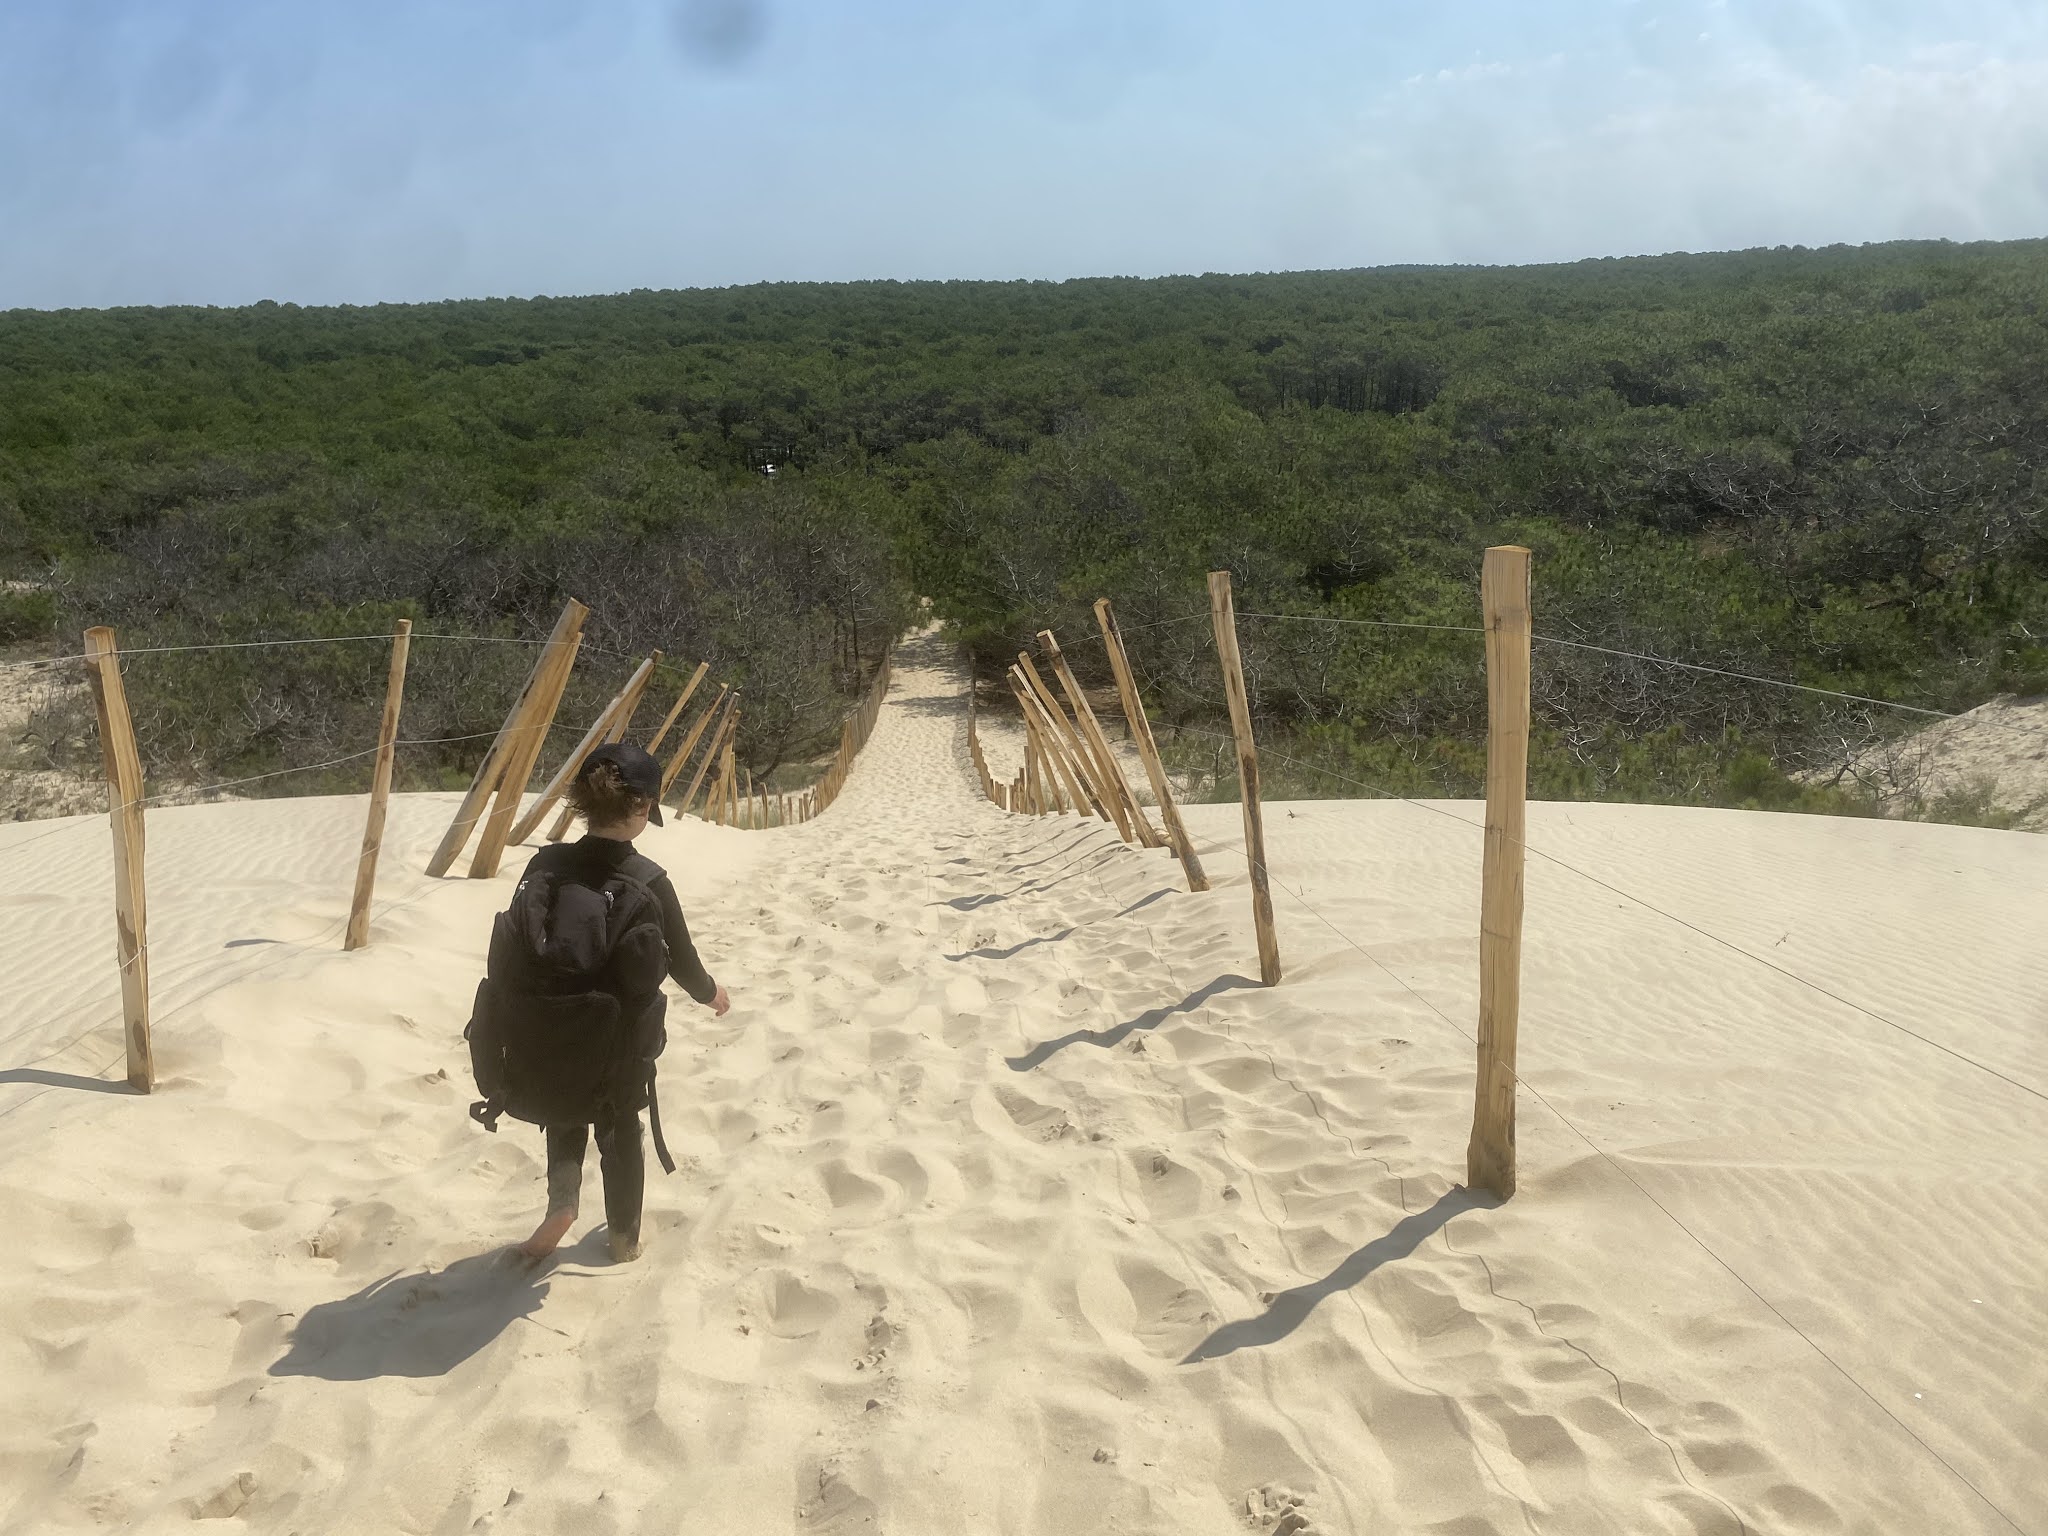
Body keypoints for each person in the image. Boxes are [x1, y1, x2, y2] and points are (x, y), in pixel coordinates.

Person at [514, 742, 730, 1263]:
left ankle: (562, 1204)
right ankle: (623, 1239)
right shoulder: (648, 879)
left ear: (583, 803)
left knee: (565, 1110)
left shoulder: (545, 864)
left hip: (548, 1027)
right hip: (618, 1042)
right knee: (620, 1129)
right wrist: (712, 994)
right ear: (643, 807)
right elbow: (683, 961)